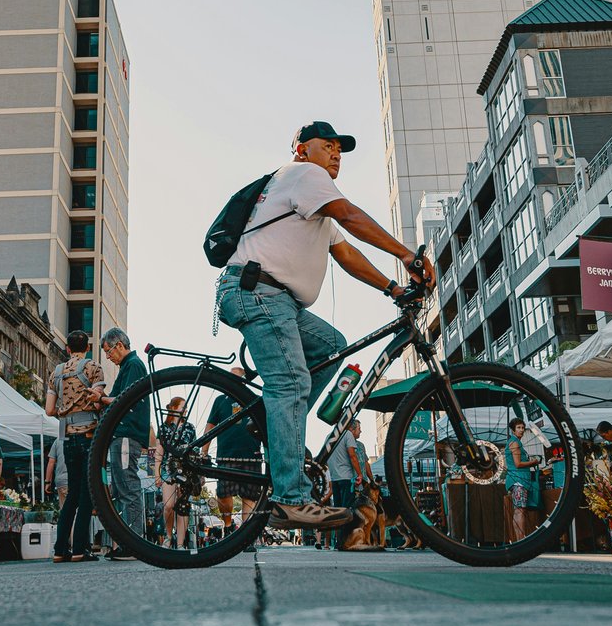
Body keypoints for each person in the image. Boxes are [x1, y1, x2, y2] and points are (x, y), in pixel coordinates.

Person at [214, 120, 434, 530]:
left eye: (340, 148)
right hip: (259, 292)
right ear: (302, 150)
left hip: (275, 298)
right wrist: (408, 257)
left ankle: (271, 420)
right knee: (292, 383)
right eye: (327, 145)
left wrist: (393, 290)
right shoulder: (304, 175)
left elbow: (347, 255)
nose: (336, 153)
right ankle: (290, 497)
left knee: (332, 345)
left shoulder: (311, 203)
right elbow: (350, 215)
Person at [46, 330, 103, 562]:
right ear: (87, 347)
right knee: (87, 493)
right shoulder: (93, 368)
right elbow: (98, 400)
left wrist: (65, 410)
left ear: (67, 349)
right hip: (88, 435)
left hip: (66, 436)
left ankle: (60, 550)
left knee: (71, 495)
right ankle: (80, 548)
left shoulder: (56, 373)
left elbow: (49, 410)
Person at [97, 327, 150, 560]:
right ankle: (126, 541)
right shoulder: (128, 366)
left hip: (127, 433)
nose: (108, 357)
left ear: (119, 345)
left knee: (128, 486)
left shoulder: (134, 365)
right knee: (121, 487)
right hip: (122, 434)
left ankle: (133, 542)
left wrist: (100, 398)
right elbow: (114, 398)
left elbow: (123, 399)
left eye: (109, 351)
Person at [203, 367, 262, 551]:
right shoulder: (220, 400)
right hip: (226, 455)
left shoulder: (254, 399)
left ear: (244, 380)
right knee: (223, 495)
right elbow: (210, 426)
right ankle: (228, 526)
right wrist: (204, 451)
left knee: (249, 497)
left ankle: (246, 538)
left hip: (251, 455)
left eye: (239, 378)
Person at [157, 397, 197, 548]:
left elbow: (195, 450)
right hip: (168, 469)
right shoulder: (164, 427)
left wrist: (199, 474)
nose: (185, 409)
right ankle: (168, 536)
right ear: (173, 408)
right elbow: (159, 452)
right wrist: (156, 474)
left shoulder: (190, 427)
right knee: (168, 505)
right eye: (183, 407)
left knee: (183, 506)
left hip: (187, 469)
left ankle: (180, 544)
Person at [324, 420, 367, 548]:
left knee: (338, 511)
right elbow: (352, 455)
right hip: (346, 478)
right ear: (351, 427)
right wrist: (359, 474)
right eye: (359, 427)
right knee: (348, 511)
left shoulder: (329, 436)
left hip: (335, 478)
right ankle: (346, 541)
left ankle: (339, 542)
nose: (360, 430)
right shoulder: (347, 434)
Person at [505, 418, 544, 538]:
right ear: (513, 430)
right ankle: (521, 539)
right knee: (520, 511)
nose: (521, 430)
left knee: (519, 510)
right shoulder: (514, 442)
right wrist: (534, 462)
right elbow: (518, 464)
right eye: (519, 428)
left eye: (522, 427)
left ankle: (519, 539)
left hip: (519, 480)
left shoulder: (516, 442)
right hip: (519, 480)